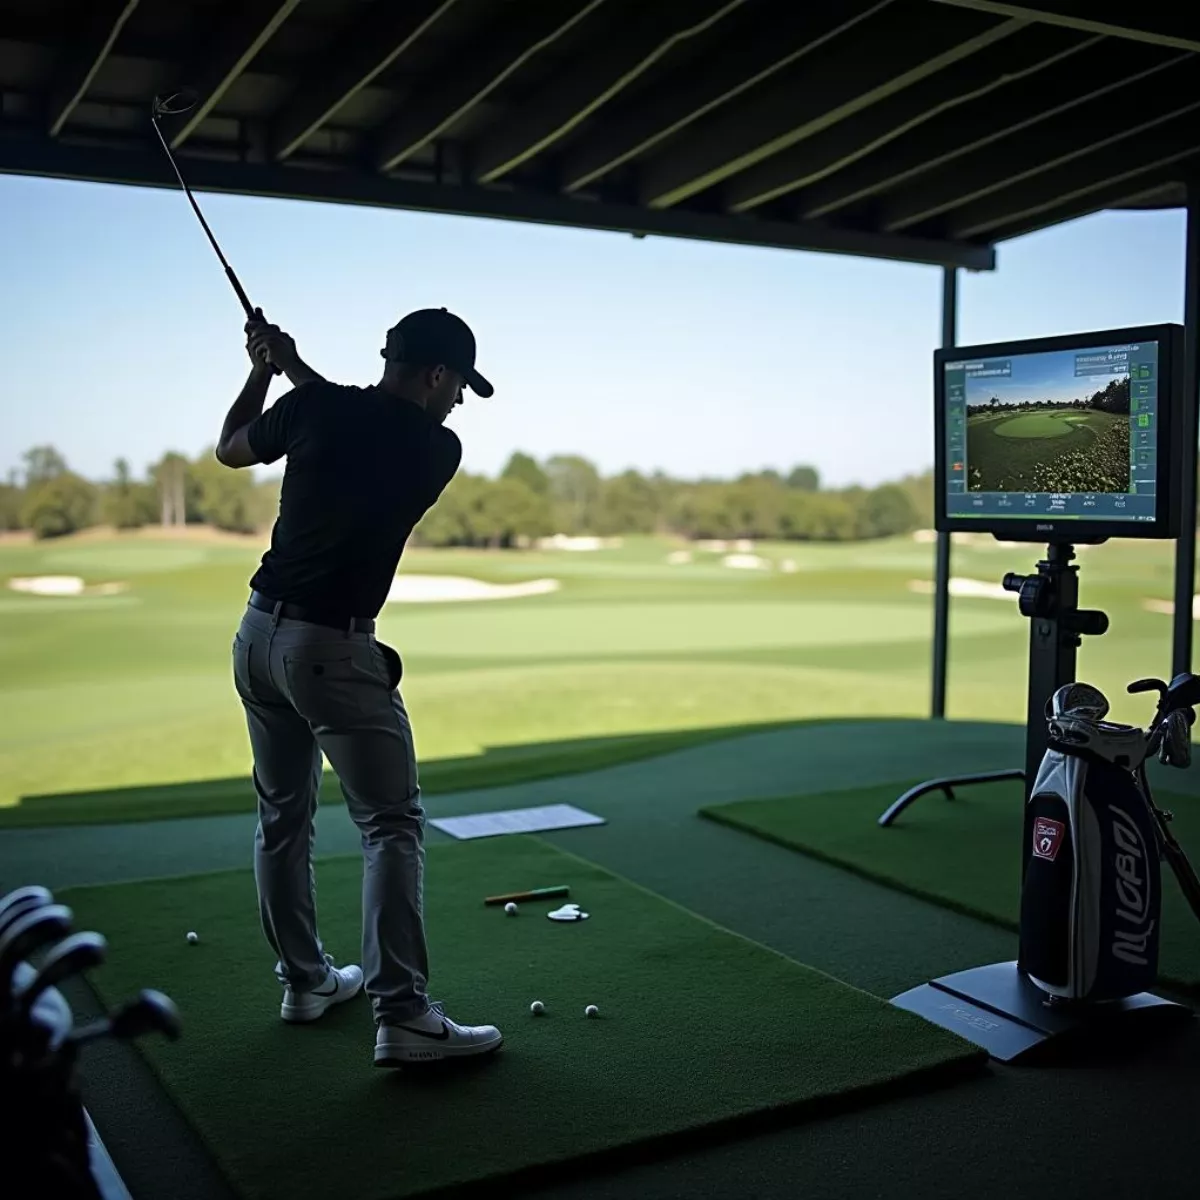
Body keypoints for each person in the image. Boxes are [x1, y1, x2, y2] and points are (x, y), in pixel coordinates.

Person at [215, 306, 503, 1066]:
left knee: (283, 817)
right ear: (437, 375)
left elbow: (231, 448)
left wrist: (265, 370)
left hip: (255, 638)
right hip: (332, 650)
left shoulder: (315, 409)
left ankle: (306, 980)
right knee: (390, 825)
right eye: (458, 387)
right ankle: (403, 1015)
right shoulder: (436, 447)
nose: (458, 405)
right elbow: (357, 418)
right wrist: (290, 365)